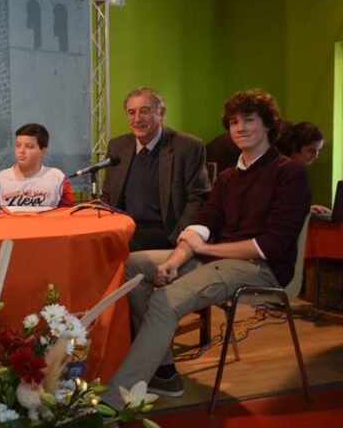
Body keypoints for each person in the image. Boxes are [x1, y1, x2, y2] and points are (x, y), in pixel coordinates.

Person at [105, 89, 311, 405]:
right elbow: (202, 224)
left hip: (262, 268)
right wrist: (174, 261)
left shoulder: (289, 173)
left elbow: (270, 246)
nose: (240, 128)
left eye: (249, 120)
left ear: (268, 125)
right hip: (220, 260)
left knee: (165, 300)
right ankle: (164, 372)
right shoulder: (228, 177)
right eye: (234, 122)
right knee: (134, 264)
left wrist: (207, 249)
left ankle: (113, 402)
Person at [101, 87, 210, 251]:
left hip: (165, 231)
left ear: (161, 113)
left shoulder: (187, 147)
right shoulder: (117, 146)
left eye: (145, 111)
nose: (137, 119)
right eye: (131, 112)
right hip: (123, 227)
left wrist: (179, 238)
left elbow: (198, 198)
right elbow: (108, 195)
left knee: (112, 249)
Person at [0, 123, 74, 208]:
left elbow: (69, 212)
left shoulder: (57, 177)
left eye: (29, 146)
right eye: (18, 145)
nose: (21, 151)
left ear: (43, 151)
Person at [276, 121, 329, 214]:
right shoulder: (282, 172)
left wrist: (306, 209)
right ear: (294, 147)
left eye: (318, 150)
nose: (316, 156)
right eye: (311, 150)